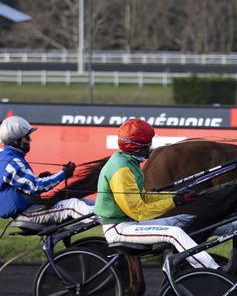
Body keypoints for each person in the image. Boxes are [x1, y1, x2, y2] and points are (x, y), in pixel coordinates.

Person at [94, 118, 219, 269]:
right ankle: (213, 269)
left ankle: (235, 226)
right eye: (148, 144)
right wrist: (174, 202)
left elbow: (144, 197)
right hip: (119, 228)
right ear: (138, 147)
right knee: (174, 233)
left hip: (131, 223)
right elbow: (139, 211)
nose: (151, 147)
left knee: (187, 219)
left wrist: (176, 196)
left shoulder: (128, 162)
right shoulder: (122, 170)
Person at [0, 115, 95, 224]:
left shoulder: (10, 157)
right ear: (15, 141)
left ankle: (105, 213)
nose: (30, 140)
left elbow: (24, 185)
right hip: (27, 213)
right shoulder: (12, 162)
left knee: (82, 201)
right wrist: (63, 174)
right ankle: (108, 221)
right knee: (73, 205)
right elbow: (36, 186)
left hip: (29, 207)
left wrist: (41, 177)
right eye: (26, 137)